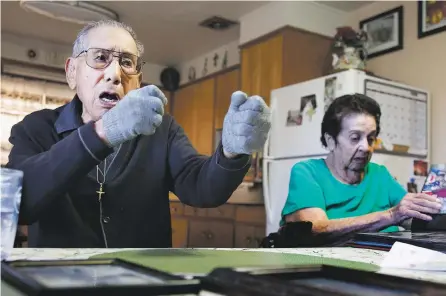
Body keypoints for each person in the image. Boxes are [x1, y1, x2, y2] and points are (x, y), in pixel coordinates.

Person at [6, 20, 271, 248]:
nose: (114, 74)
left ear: (138, 81)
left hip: (144, 281)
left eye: (126, 63)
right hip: (59, 281)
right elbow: (21, 203)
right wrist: (104, 132)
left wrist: (231, 153)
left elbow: (202, 188)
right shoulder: (35, 128)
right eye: (100, 58)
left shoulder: (162, 128)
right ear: (72, 72)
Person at [281, 94, 442, 242]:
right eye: (355, 138)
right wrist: (391, 215)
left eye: (371, 138)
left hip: (378, 265)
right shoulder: (308, 172)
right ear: (330, 140)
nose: (366, 147)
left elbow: (410, 216)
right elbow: (315, 229)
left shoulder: (380, 174)